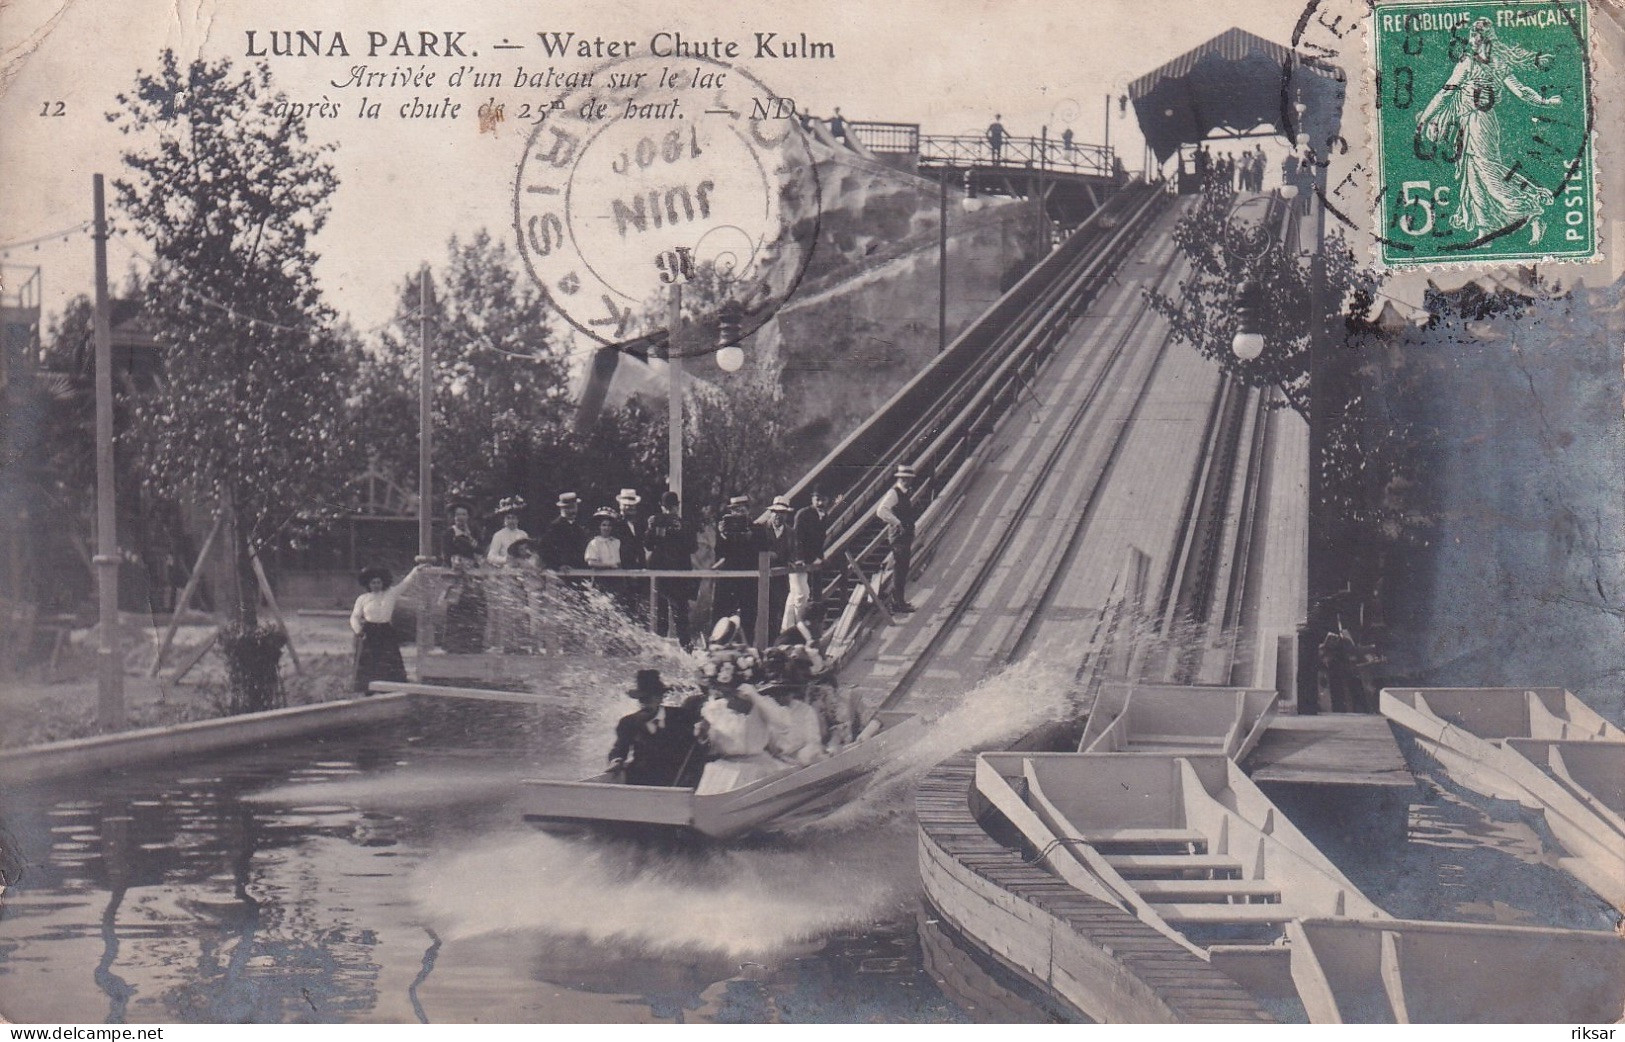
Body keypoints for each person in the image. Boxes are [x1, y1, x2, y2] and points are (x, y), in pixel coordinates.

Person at [1417, 17, 1561, 245]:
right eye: (1471, 35)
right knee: (1472, 175)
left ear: (1486, 39)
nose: (1472, 40)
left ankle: (1532, 211)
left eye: (1476, 36)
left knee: (1488, 174)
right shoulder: (1469, 62)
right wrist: (1425, 118)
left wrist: (1545, 102)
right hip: (1466, 122)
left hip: (1481, 122)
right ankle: (1485, 230)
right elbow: (1446, 92)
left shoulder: (1487, 63)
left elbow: (1521, 91)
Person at [609, 669, 703, 787]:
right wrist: (616, 760)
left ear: (660, 698)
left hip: (678, 781)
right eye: (641, 699)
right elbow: (619, 749)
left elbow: (696, 747)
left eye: (649, 699)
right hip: (640, 782)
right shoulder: (628, 723)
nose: (644, 704)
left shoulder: (681, 717)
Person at [350, 563, 425, 694]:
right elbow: (354, 617)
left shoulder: (391, 593)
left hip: (385, 631)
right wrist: (359, 631)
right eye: (373, 582)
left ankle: (391, 688)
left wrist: (416, 570)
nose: (376, 585)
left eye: (378, 582)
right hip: (369, 631)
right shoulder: (363, 599)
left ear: (383, 582)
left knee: (389, 659)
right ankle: (367, 689)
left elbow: (406, 583)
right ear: (368, 584)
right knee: (369, 660)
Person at [645, 490, 696, 647]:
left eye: (671, 507)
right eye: (669, 507)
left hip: (678, 572)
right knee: (663, 613)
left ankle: (685, 647)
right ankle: (662, 648)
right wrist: (655, 529)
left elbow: (692, 547)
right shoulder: (656, 522)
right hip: (663, 572)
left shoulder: (684, 525)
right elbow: (648, 544)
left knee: (679, 613)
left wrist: (677, 531)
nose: (669, 511)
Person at [439, 499, 487, 654]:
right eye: (458, 514)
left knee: (475, 606)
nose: (460, 517)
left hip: (473, 573)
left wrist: (473, 545)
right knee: (455, 607)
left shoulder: (473, 532)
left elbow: (481, 550)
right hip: (457, 574)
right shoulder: (449, 533)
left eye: (464, 514)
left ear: (468, 517)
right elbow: (446, 554)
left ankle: (474, 644)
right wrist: (455, 561)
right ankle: (453, 644)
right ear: (453, 517)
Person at [714, 494, 761, 641]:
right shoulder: (727, 528)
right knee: (723, 614)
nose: (738, 513)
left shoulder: (757, 528)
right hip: (729, 578)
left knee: (749, 616)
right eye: (734, 510)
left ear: (748, 510)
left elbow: (762, 550)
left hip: (749, 579)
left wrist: (750, 537)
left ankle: (748, 647)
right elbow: (719, 553)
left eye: (741, 510)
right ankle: (718, 644)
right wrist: (722, 535)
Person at [875, 464, 919, 614]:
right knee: (900, 569)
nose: (907, 481)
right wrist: (897, 522)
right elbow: (881, 511)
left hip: (904, 535)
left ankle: (899, 601)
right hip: (898, 536)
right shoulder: (894, 493)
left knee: (903, 568)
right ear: (900, 478)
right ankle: (897, 603)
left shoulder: (905, 492)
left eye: (909, 479)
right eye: (905, 478)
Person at [788, 487, 832, 631]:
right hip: (798, 559)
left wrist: (820, 557)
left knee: (805, 594)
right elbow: (797, 538)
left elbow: (819, 539)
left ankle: (807, 625)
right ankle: (797, 627)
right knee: (800, 595)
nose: (820, 503)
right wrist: (799, 558)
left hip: (812, 558)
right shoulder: (803, 514)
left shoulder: (824, 516)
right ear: (812, 499)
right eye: (817, 499)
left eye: (823, 500)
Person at [756, 495, 796, 639]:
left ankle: (773, 645)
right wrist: (768, 555)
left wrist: (791, 561)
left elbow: (793, 553)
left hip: (780, 580)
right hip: (761, 580)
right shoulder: (760, 529)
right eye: (775, 512)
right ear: (771, 512)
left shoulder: (791, 533)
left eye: (782, 513)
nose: (778, 515)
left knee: (777, 613)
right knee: (760, 612)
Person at [541, 492, 587, 572]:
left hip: (579, 571)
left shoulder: (579, 527)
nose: (572, 511)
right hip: (561, 573)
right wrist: (558, 566)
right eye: (568, 508)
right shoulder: (554, 527)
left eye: (574, 507)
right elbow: (544, 550)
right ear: (562, 509)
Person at [486, 496, 529, 564]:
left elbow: (526, 552)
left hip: (522, 565)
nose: (511, 521)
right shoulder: (499, 535)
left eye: (513, 518)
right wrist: (505, 560)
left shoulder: (523, 534)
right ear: (504, 520)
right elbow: (490, 557)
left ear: (518, 519)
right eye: (508, 518)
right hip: (505, 567)